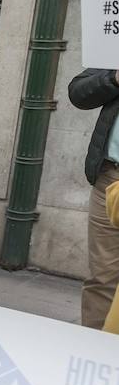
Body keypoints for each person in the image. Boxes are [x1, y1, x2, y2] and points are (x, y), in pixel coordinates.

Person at [68, 67, 119, 328]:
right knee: (103, 275)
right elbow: (78, 92)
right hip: (111, 178)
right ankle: (95, 352)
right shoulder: (114, 47)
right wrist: (114, 78)